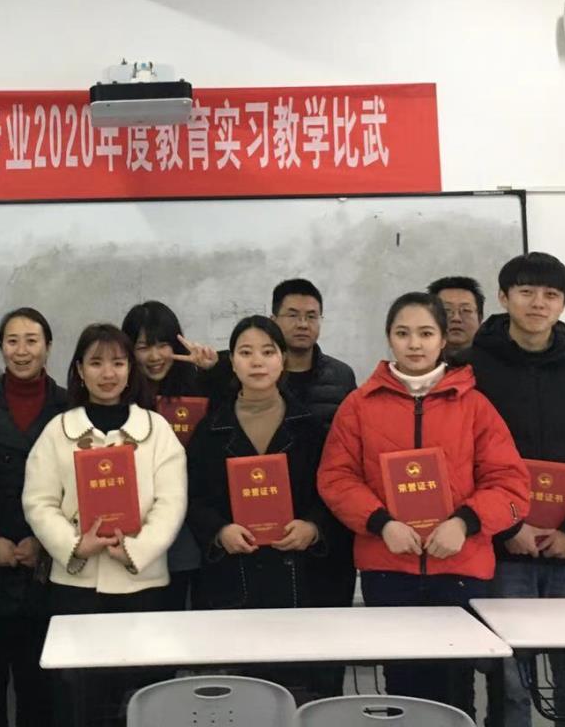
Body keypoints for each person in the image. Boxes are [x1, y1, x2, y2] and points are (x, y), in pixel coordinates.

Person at [318, 292, 529, 718]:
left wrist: (464, 523)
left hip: (460, 567)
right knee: (402, 688)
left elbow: (510, 484)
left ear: (443, 340)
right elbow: (336, 479)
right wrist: (381, 523)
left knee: (455, 688)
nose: (414, 344)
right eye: (403, 333)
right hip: (388, 567)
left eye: (426, 333)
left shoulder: (474, 405)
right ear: (389, 338)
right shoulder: (359, 406)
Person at [465, 252, 565, 727]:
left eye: (551, 294)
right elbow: (461, 461)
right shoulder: (470, 368)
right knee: (510, 685)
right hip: (502, 549)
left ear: (563, 304)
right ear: (504, 297)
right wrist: (506, 527)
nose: (538, 303)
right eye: (526, 292)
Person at [22, 323, 187, 727]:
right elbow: (39, 501)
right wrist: (75, 545)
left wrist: (134, 550)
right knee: (77, 700)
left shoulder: (157, 430)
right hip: (74, 589)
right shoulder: (58, 431)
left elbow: (171, 503)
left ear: (131, 369)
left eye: (117, 362)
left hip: (143, 586)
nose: (108, 373)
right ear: (80, 370)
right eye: (96, 363)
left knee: (139, 698)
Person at [187, 315, 347, 700]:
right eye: (246, 353)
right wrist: (219, 531)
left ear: (283, 360)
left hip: (301, 582)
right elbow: (193, 498)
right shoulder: (210, 430)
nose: (257, 361)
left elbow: (334, 492)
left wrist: (313, 527)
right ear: (232, 363)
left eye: (267, 352)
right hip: (233, 581)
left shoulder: (311, 428)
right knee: (239, 697)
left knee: (301, 696)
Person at [0, 307, 68, 727]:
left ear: (48, 347)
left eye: (31, 341)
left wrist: (46, 540)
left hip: (46, 567)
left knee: (42, 692)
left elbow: (75, 487)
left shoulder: (68, 406)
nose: (22, 351)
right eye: (12, 341)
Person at [121, 300, 217, 609]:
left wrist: (212, 371)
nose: (154, 357)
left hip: (189, 521)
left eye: (162, 345)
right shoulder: (117, 395)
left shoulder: (199, 388)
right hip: (134, 522)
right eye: (143, 347)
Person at [270, 278, 357, 424]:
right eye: (293, 315)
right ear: (273, 320)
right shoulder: (259, 372)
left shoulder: (342, 375)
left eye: (311, 316)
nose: (303, 324)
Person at [427, 275, 485, 359]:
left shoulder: (496, 361)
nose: (456, 318)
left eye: (466, 310)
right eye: (446, 310)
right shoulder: (414, 361)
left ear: (480, 319)